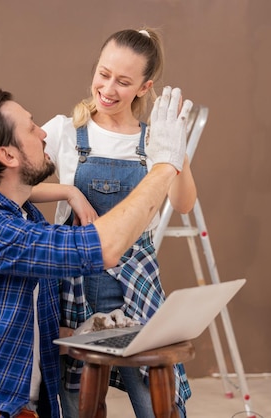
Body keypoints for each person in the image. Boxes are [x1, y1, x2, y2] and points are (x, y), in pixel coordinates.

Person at [0, 87, 192, 418]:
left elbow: (9, 322)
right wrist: (165, 164)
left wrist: (83, 333)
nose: (43, 132)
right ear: (8, 156)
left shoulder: (21, 216)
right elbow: (106, 248)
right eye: (30, 128)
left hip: (15, 405)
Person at [30, 28, 195, 417]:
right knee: (77, 395)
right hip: (74, 280)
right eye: (103, 74)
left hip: (135, 279)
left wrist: (176, 151)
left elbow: (184, 203)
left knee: (154, 395)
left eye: (123, 81)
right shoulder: (64, 131)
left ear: (144, 87)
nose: (108, 88)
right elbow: (18, 191)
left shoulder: (153, 139)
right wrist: (70, 193)